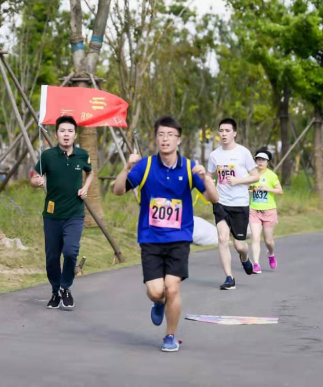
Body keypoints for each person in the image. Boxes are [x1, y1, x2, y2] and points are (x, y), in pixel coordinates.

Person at [112, 115, 219, 352]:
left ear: (178, 140)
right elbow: (118, 190)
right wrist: (126, 168)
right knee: (156, 291)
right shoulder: (146, 166)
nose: (165, 139)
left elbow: (214, 198)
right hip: (150, 238)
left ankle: (170, 336)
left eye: (170, 135)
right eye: (161, 135)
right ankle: (158, 302)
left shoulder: (190, 168)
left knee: (172, 288)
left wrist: (206, 179)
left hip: (179, 238)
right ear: (156, 138)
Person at [30, 116, 95, 311]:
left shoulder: (82, 155)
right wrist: (37, 182)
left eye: (70, 131)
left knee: (70, 252)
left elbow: (90, 172)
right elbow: (33, 178)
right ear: (56, 134)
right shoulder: (48, 156)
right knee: (51, 257)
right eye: (62, 131)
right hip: (52, 215)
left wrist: (86, 188)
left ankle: (66, 287)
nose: (66, 135)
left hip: (75, 214)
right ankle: (55, 290)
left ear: (75, 135)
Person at [208, 118, 260, 290]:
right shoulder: (214, 155)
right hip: (221, 202)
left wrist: (238, 181)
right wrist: (206, 183)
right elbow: (209, 176)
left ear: (234, 133)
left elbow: (255, 176)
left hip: (240, 203)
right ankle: (229, 278)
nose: (223, 134)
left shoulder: (243, 153)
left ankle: (245, 258)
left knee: (239, 245)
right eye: (221, 130)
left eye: (227, 131)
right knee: (222, 238)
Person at [248, 148, 283, 273]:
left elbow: (280, 191)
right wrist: (252, 188)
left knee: (268, 241)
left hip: (269, 211)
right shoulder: (252, 174)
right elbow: (247, 188)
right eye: (258, 159)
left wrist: (267, 189)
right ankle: (256, 264)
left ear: (268, 162)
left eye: (263, 159)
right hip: (254, 210)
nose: (260, 162)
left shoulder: (272, 175)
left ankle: (271, 254)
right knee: (255, 238)